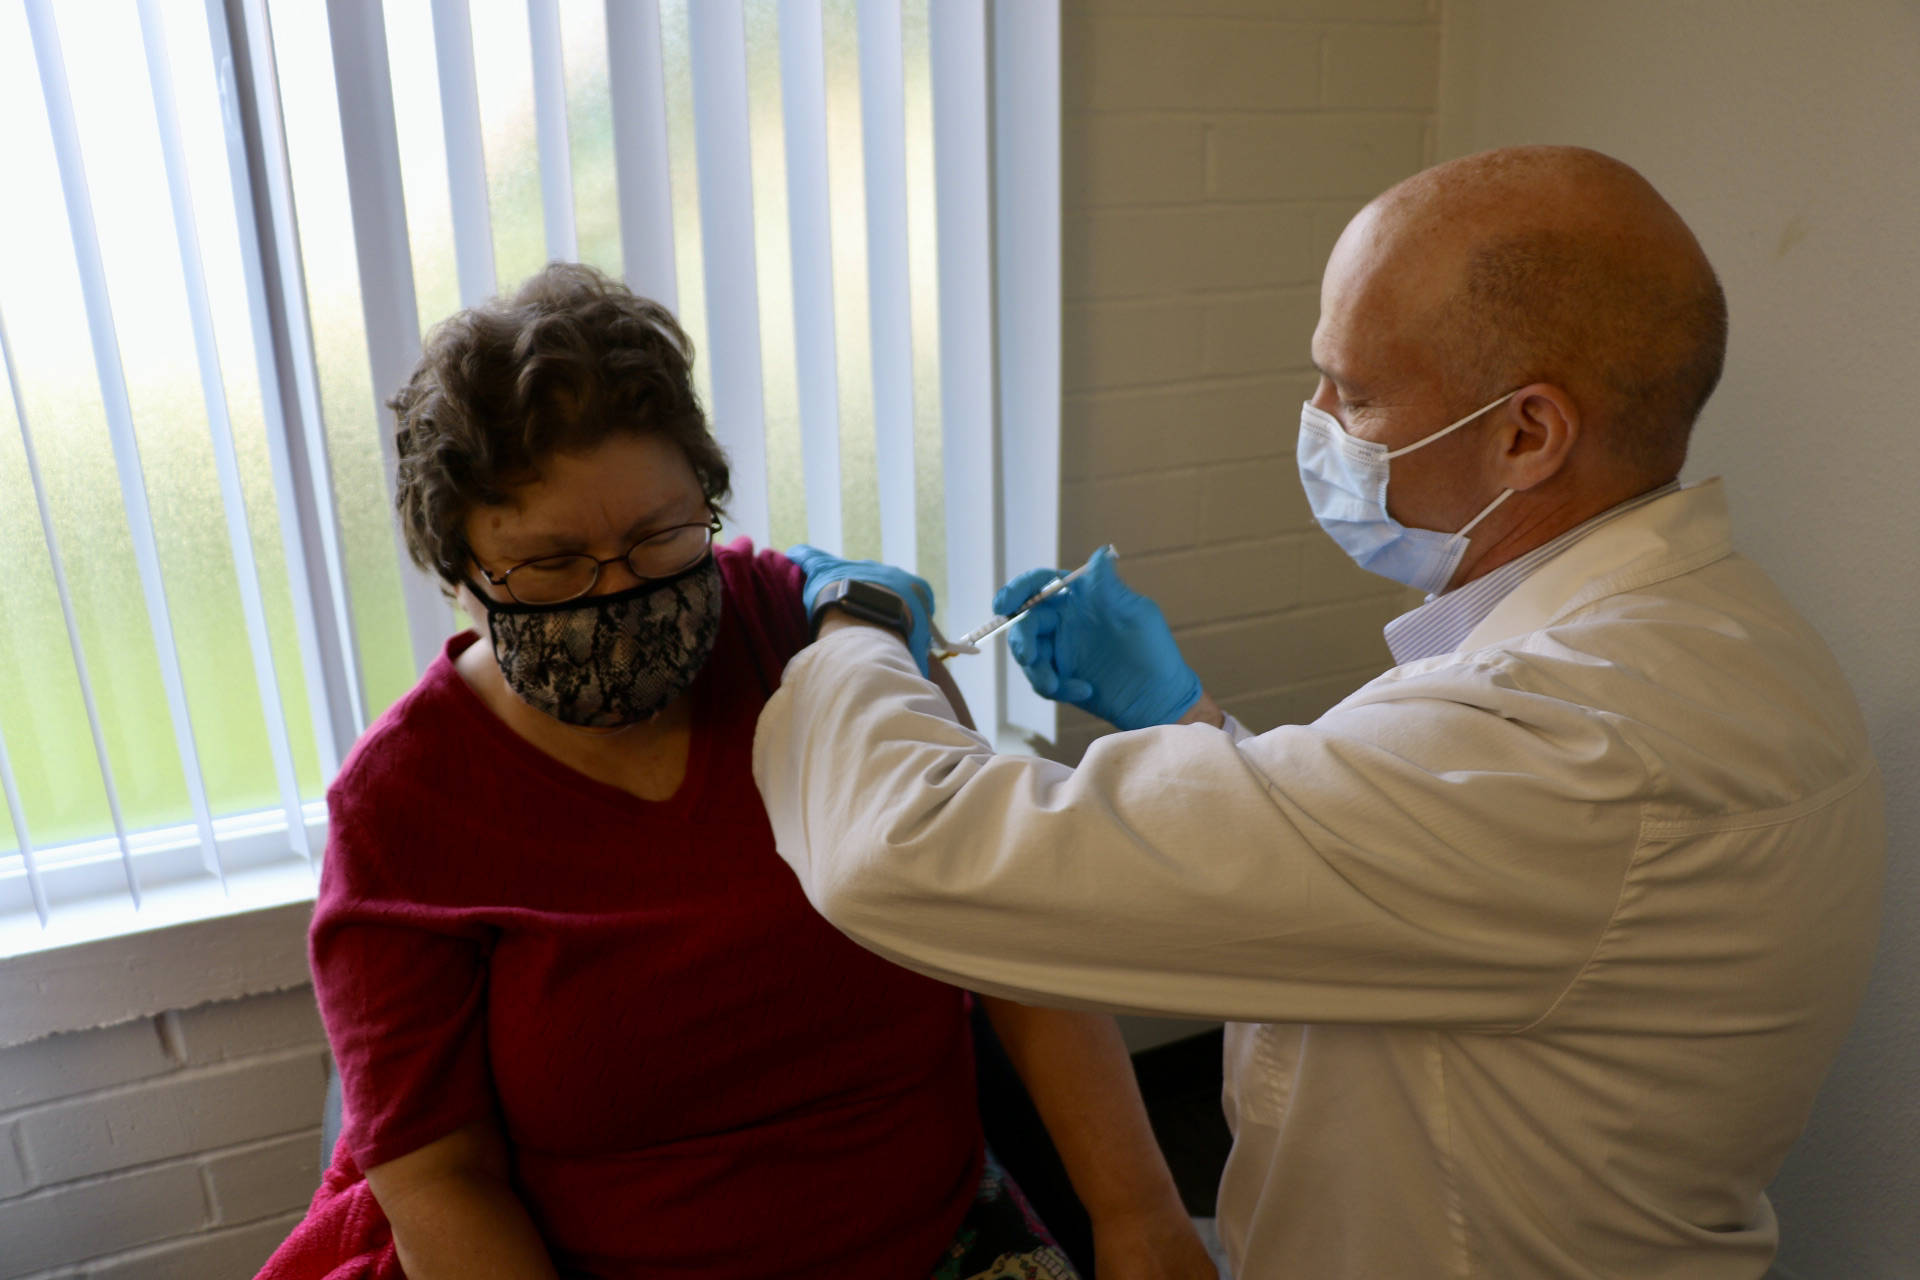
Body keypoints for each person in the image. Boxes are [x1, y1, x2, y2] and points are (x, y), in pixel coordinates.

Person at [753, 147, 1885, 1278]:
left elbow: (905, 857)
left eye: (1353, 389)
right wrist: (1187, 718)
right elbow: (1400, 886)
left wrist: (850, 628)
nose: (1318, 418)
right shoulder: (1712, 638)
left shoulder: (1573, 746)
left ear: (1527, 434)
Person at [258, 263, 1214, 1280]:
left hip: (944, 1243)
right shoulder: (407, 809)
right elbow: (440, 1176)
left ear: (705, 500)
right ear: (457, 572)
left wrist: (1140, 1215)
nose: (616, 591)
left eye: (659, 537)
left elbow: (1024, 947)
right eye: (550, 561)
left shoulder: (825, 650)